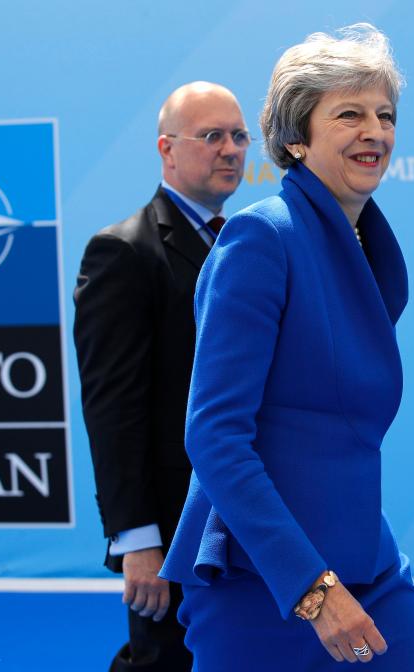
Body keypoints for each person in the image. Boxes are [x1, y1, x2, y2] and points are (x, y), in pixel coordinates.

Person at [160, 25, 414, 670]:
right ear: (296, 138)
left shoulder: (368, 249)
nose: (375, 130)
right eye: (349, 114)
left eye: (385, 115)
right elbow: (215, 438)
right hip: (265, 578)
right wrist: (313, 590)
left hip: (367, 560)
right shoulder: (261, 239)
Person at [73, 81, 249, 671]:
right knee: (163, 663)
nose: (230, 149)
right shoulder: (123, 252)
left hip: (244, 510)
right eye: (212, 136)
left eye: (239, 136)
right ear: (166, 149)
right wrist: (137, 538)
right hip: (172, 527)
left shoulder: (246, 245)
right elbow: (112, 409)